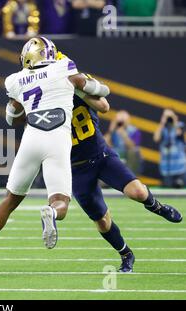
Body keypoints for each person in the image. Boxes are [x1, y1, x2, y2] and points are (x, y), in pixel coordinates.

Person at [0, 37, 111, 273]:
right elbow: (102, 91)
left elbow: (12, 118)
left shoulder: (15, 80)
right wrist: (84, 84)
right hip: (57, 140)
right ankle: (51, 213)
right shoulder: (64, 67)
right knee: (60, 202)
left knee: (10, 199)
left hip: (31, 140)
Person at [69, 71, 183, 273]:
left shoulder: (74, 81)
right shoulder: (42, 99)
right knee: (102, 221)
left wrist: (80, 90)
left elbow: (104, 106)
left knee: (137, 192)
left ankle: (157, 207)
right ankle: (126, 254)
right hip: (76, 167)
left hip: (100, 154)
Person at [154, 109, 185, 188]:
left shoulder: (180, 125)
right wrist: (162, 123)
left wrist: (174, 121)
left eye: (169, 116)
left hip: (180, 165)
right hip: (166, 167)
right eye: (165, 116)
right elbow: (156, 138)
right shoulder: (162, 128)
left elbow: (179, 134)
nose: (168, 118)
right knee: (168, 189)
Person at [104, 110, 143, 175]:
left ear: (128, 120)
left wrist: (123, 134)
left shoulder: (134, 131)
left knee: (134, 151)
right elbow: (104, 144)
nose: (121, 123)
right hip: (116, 157)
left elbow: (133, 148)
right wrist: (111, 130)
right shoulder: (113, 131)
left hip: (129, 159)